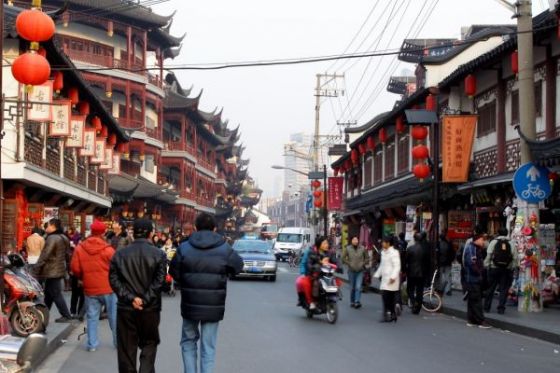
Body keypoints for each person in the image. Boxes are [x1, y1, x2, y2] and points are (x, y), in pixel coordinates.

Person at [170, 213, 243, 373]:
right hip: (213, 305)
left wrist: (186, 280)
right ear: (215, 228)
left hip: (190, 304)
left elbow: (174, 271)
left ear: (195, 228)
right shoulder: (224, 248)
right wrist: (224, 274)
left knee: (188, 342)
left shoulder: (184, 247)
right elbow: (238, 266)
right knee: (208, 347)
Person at [109, 219, 167, 373]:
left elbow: (114, 280)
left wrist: (130, 298)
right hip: (150, 308)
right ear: (150, 233)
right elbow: (159, 282)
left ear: (133, 233)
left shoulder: (120, 254)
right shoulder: (159, 254)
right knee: (149, 343)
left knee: (127, 348)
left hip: (126, 308)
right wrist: (145, 299)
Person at [71, 220, 116, 351]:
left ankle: (92, 344)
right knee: (114, 317)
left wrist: (82, 277)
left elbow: (75, 268)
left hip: (90, 288)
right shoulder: (108, 249)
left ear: (91, 231)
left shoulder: (80, 248)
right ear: (103, 232)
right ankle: (118, 343)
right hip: (108, 288)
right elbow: (116, 267)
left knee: (92, 317)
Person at [33, 218, 73, 323]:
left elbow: (45, 254)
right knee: (49, 294)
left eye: (48, 225)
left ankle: (66, 315)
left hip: (52, 270)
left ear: (53, 226)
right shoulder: (64, 237)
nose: (46, 227)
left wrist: (36, 268)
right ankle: (42, 314)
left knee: (55, 293)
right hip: (59, 268)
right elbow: (67, 254)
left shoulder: (52, 238)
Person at [483, 228, 517, 314]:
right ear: (506, 234)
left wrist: (486, 265)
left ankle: (487, 307)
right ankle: (501, 308)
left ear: (498, 233)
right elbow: (515, 258)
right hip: (506, 270)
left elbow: (489, 255)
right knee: (504, 289)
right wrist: (512, 267)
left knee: (490, 288)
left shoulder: (493, 242)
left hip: (494, 269)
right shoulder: (511, 243)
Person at [463, 232, 491, 328]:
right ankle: (480, 320)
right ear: (477, 240)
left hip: (472, 278)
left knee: (472, 300)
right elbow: (472, 263)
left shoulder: (476, 249)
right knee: (476, 300)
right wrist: (479, 272)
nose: (483, 242)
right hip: (473, 278)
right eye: (482, 239)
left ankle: (471, 319)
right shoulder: (472, 249)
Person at [304, 236, 338, 310]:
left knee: (335, 282)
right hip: (316, 274)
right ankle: (313, 301)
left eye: (327, 243)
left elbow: (335, 261)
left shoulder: (330, 253)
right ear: (319, 244)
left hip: (327, 274)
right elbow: (309, 263)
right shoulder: (312, 252)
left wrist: (339, 267)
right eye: (324, 243)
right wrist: (313, 267)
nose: (327, 245)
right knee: (316, 284)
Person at [374, 236, 401, 323]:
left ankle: (389, 314)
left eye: (384, 242)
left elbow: (397, 266)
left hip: (392, 279)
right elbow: (382, 265)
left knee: (388, 297)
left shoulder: (394, 253)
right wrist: (377, 274)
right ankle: (390, 314)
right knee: (386, 297)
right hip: (385, 279)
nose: (382, 244)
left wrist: (393, 277)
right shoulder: (383, 253)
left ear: (388, 243)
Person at [405, 232, 430, 314]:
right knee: (420, 290)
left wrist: (405, 270)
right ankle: (418, 306)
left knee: (410, 289)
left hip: (411, 272)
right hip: (422, 273)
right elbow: (428, 262)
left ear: (414, 239)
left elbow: (406, 261)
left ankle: (413, 301)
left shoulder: (410, 249)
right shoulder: (425, 249)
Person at [342, 236, 369, 308]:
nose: (355, 241)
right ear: (351, 241)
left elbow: (367, 258)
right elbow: (343, 258)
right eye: (354, 239)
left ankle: (357, 301)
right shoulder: (348, 248)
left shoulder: (362, 248)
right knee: (352, 288)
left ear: (358, 240)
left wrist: (362, 264)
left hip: (360, 271)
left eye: (356, 239)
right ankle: (352, 301)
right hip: (351, 271)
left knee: (358, 287)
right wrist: (349, 263)